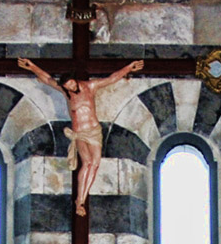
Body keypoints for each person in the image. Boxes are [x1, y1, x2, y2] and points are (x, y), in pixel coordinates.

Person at [17, 57, 144, 215]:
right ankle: (80, 201)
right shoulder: (66, 92)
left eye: (70, 84)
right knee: (87, 162)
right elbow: (48, 79)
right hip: (80, 134)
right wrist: (32, 67)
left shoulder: (90, 87)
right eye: (66, 87)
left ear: (74, 80)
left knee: (95, 164)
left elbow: (111, 79)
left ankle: (83, 196)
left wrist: (129, 68)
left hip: (94, 131)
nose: (69, 88)